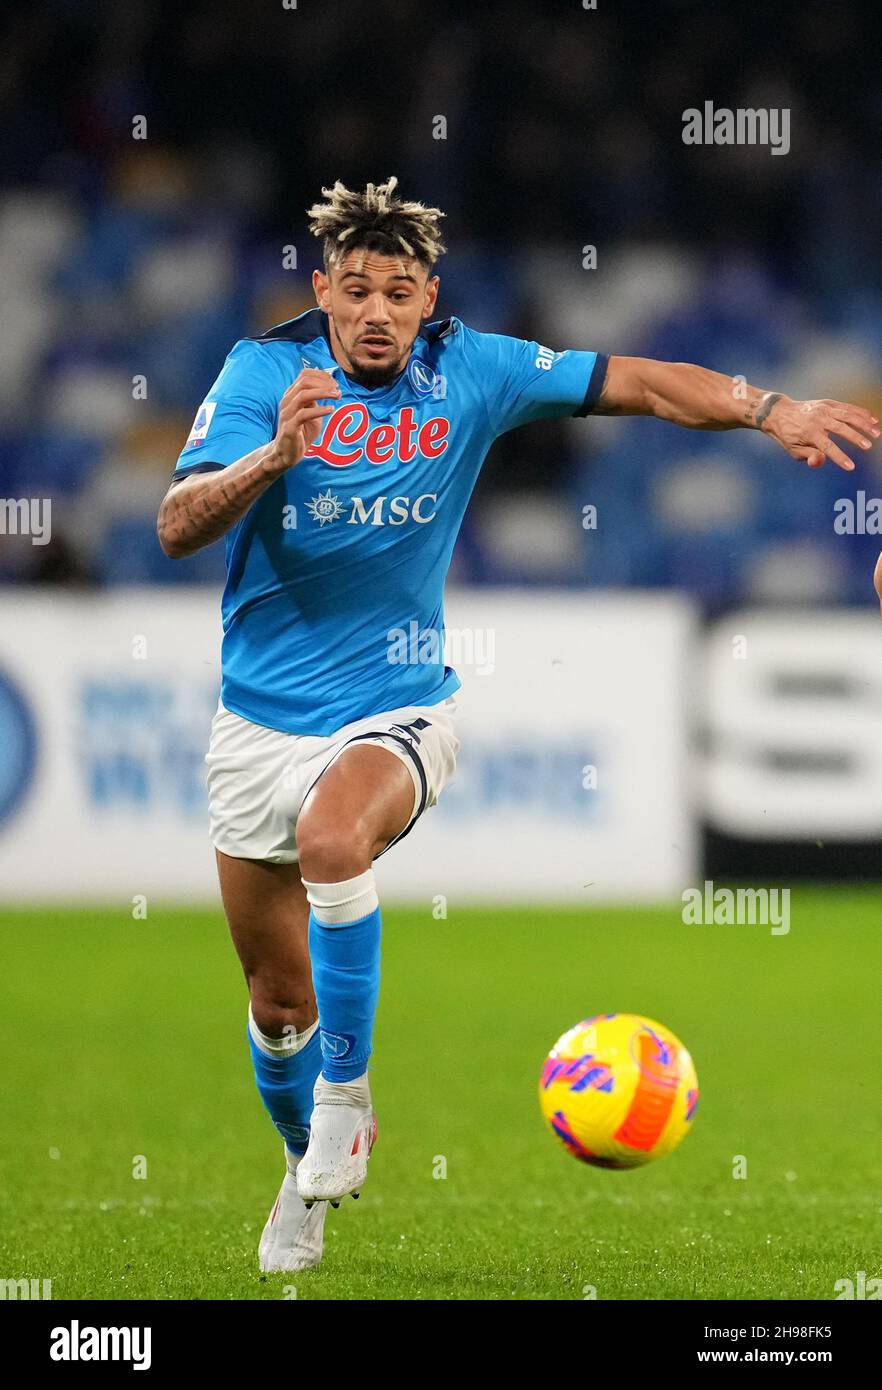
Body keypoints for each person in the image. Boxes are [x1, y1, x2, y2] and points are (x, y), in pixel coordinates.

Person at [156, 176, 879, 1271]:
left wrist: (769, 406)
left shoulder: (475, 368)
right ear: (324, 291)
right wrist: (272, 459)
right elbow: (174, 526)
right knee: (273, 1000)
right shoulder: (264, 374)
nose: (378, 312)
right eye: (357, 290)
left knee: (333, 840)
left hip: (400, 705)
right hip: (256, 727)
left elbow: (636, 381)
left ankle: (348, 1100)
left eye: (400, 291)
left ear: (428, 296)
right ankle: (305, 1165)